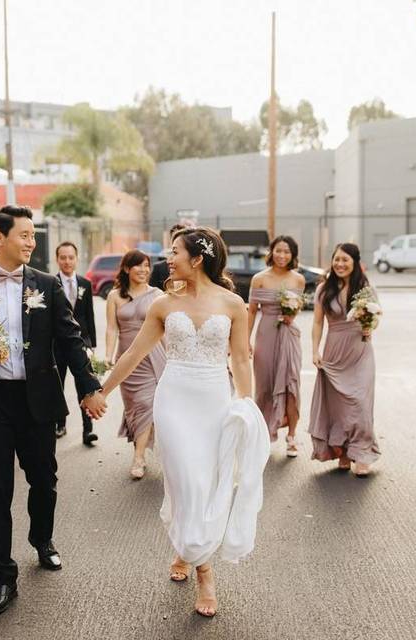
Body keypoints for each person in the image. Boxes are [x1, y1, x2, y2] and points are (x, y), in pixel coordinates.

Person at [96, 227, 270, 618]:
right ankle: (204, 571)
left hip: (213, 399)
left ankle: (187, 548)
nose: (167, 258)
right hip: (173, 399)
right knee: (184, 477)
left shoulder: (232, 304)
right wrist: (101, 392)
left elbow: (240, 360)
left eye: (174, 252)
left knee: (203, 481)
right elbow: (133, 354)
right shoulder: (162, 304)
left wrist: (246, 406)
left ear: (197, 258)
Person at [0, 206, 107, 618]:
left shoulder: (48, 284)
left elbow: (71, 338)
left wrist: (89, 386)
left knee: (44, 478)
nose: (30, 242)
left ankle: (43, 540)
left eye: (32, 236)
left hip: (38, 399)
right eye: (23, 235)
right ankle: (2, 576)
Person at [308, 242, 380, 477]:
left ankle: (362, 453)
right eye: (336, 259)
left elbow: (376, 315)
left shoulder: (365, 288)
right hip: (334, 351)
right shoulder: (323, 289)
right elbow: (318, 322)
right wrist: (315, 351)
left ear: (355, 263)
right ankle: (343, 453)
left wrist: (370, 327)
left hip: (360, 351)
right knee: (338, 406)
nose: (340, 264)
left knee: (359, 403)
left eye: (345, 260)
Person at [104, 250, 166, 479]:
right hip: (127, 360)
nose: (144, 270)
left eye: (147, 265)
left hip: (154, 356)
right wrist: (109, 356)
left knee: (147, 404)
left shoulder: (158, 294)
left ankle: (138, 458)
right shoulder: (114, 296)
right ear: (127, 269)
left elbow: (165, 329)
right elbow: (111, 328)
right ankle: (140, 448)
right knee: (134, 408)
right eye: (138, 266)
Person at [248, 235, 306, 457]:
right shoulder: (259, 278)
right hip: (266, 334)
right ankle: (263, 434)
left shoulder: (298, 279)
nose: (282, 255)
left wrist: (291, 314)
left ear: (293, 255)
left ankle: (292, 436)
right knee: (264, 385)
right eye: (278, 251)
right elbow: (252, 311)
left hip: (289, 335)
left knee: (291, 383)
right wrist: (246, 340)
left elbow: (297, 306)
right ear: (271, 252)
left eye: (287, 252)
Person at [53, 241, 99, 445]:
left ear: (76, 259)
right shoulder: (50, 283)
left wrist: (92, 345)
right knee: (57, 385)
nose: (67, 261)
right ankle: (59, 424)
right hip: (57, 344)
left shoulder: (85, 284)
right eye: (63, 257)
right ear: (57, 259)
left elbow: (89, 316)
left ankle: (87, 430)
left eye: (71, 257)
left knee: (84, 385)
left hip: (81, 343)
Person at [149, 223, 187, 290]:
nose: (177, 240)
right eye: (174, 237)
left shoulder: (194, 267)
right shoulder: (159, 268)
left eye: (181, 237)